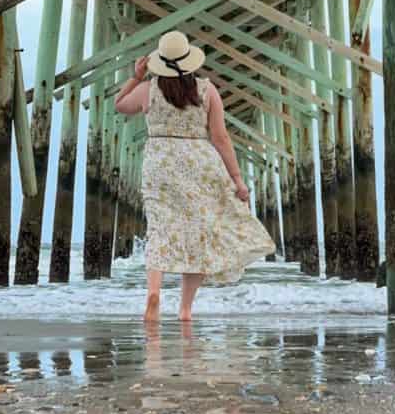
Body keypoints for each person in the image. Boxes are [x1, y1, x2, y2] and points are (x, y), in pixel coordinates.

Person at [114, 30, 275, 322]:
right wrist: (237, 180)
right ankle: (185, 309)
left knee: (159, 229)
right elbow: (221, 137)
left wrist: (136, 77)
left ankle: (154, 292)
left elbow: (120, 105)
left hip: (160, 163)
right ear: (190, 61)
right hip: (199, 162)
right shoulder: (206, 90)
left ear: (160, 62)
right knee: (200, 233)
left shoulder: (148, 90)